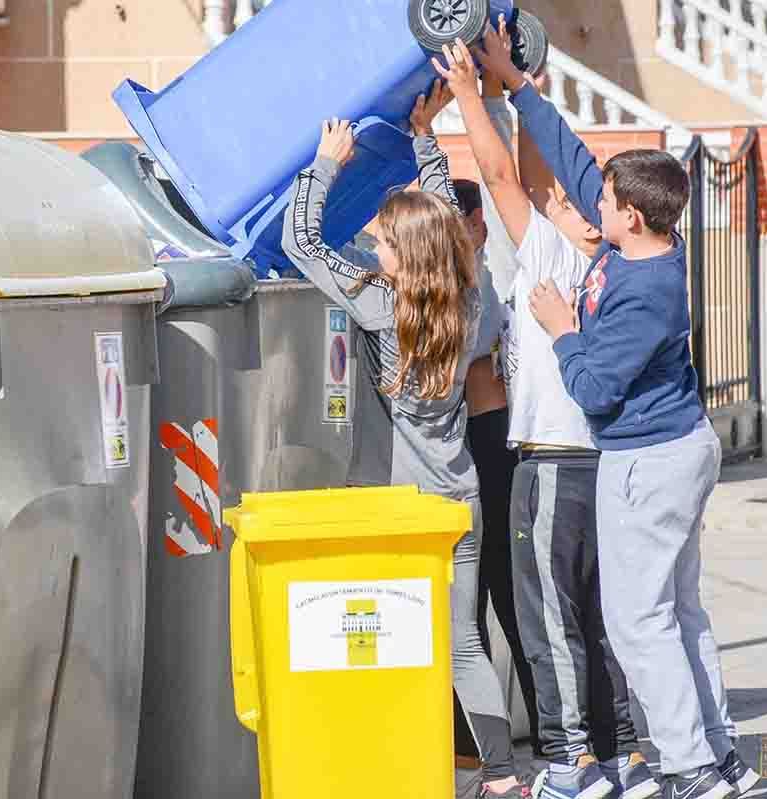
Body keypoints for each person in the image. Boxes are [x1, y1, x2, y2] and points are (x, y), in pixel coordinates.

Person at [457, 23, 761, 799]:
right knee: (674, 610)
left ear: (625, 217)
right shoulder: (622, 249)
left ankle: (688, 766)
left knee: (636, 621)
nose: (581, 194)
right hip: (655, 454)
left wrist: (561, 330)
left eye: (602, 197)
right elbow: (560, 162)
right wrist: (515, 86)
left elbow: (593, 388)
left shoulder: (638, 288)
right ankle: (716, 754)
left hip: (646, 460)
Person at [281, 82, 527, 799]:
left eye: (382, 240)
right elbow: (447, 221)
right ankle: (504, 776)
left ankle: (405, 765)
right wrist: (426, 135)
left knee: (392, 640)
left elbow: (302, 241)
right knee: (464, 644)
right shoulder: (465, 294)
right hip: (461, 500)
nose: (373, 244)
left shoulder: (378, 306)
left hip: (403, 511)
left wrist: (325, 162)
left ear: (399, 256)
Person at [435, 25, 657, 799]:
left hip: (555, 462)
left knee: (548, 620)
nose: (555, 197)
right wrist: (511, 88)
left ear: (591, 217)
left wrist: (470, 92)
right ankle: (622, 751)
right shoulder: (613, 261)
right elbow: (532, 176)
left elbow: (502, 180)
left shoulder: (559, 254)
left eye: (570, 197)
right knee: (599, 616)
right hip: (599, 460)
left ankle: (574, 764)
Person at [454, 76, 540, 759]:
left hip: (494, 444)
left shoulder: (483, 272)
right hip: (470, 442)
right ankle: (479, 731)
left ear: (476, 224)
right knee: (473, 595)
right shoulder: (460, 276)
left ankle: (545, 717)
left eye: (455, 223)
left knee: (505, 590)